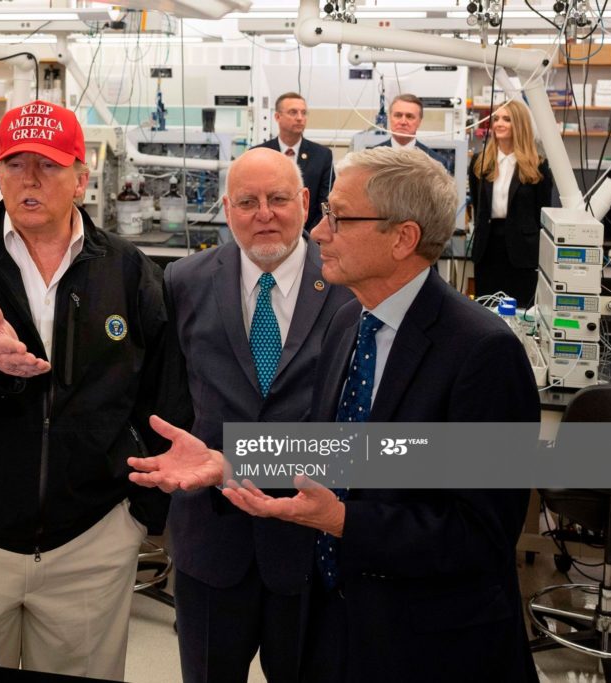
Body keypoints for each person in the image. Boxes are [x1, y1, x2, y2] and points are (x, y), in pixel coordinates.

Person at [131, 147, 540, 683]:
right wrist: (225, 463)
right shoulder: (354, 326)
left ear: (403, 238)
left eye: (338, 217)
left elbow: (478, 535)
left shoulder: (483, 353)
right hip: (339, 624)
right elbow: (352, 454)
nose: (319, 232)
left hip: (428, 643)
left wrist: (341, 520)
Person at [0, 100, 174, 680]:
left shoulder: (128, 269)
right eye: (15, 164)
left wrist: (140, 511)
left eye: (48, 164)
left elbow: (162, 391)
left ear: (81, 175)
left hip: (90, 538)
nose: (30, 180)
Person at [163, 147, 353, 682]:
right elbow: (170, 399)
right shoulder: (183, 281)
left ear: (306, 202)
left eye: (277, 199)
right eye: (247, 201)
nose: (263, 214)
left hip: (309, 541)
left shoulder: (348, 287)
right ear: (227, 209)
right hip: (211, 541)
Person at [469, 99, 555, 307]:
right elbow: (477, 204)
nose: (499, 123)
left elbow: (541, 214)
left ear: (520, 124)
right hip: (488, 248)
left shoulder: (538, 165)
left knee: (521, 309)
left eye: (506, 119)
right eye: (496, 118)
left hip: (522, 251)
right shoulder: (480, 162)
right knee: (487, 310)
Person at [254, 92, 333, 232]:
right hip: (267, 230)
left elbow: (326, 202)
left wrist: (312, 233)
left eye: (303, 113)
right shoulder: (258, 154)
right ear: (277, 117)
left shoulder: (322, 156)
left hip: (310, 234)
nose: (300, 118)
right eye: (293, 112)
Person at [372, 94, 453, 175]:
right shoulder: (372, 158)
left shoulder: (436, 163)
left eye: (409, 116)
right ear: (390, 118)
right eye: (398, 115)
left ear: (419, 122)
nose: (403, 122)